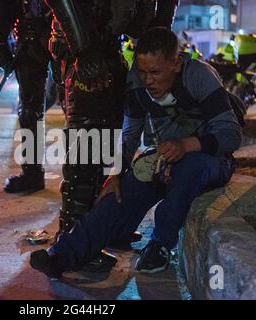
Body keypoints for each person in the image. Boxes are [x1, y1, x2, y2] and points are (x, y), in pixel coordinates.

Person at [29, 27, 242, 278]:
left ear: (176, 62)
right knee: (118, 195)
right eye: (143, 72)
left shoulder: (199, 76)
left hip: (209, 161)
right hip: (162, 161)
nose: (148, 80)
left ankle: (160, 245)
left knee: (189, 168)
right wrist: (116, 174)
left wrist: (186, 145)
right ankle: (62, 256)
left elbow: (231, 136)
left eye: (155, 72)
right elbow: (129, 138)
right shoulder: (137, 84)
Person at [44, 0, 179, 272]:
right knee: (88, 140)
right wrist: (83, 48)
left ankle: (102, 227)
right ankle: (72, 236)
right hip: (82, 47)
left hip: (105, 45)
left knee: (110, 141)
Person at [0, 0, 53, 193]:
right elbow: (0, 7)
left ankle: (85, 177)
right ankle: (32, 173)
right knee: (29, 112)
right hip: (32, 40)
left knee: (81, 110)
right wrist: (0, 45)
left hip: (68, 39)